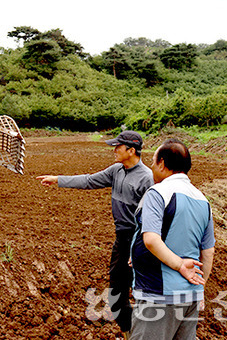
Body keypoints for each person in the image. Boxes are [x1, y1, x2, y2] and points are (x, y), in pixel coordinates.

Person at [37, 130, 154, 336]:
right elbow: (90, 180)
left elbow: (151, 219)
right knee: (116, 296)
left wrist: (139, 250)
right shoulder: (117, 170)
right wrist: (58, 179)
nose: (114, 150)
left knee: (144, 293)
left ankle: (148, 333)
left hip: (140, 240)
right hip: (122, 240)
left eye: (118, 147)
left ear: (131, 150)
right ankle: (132, 333)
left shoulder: (147, 179)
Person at [130, 139, 215, 340]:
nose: (151, 167)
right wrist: (199, 287)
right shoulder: (203, 200)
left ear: (161, 163)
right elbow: (208, 251)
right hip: (190, 297)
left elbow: (151, 238)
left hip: (159, 295)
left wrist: (179, 265)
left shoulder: (158, 193)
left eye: (153, 161)